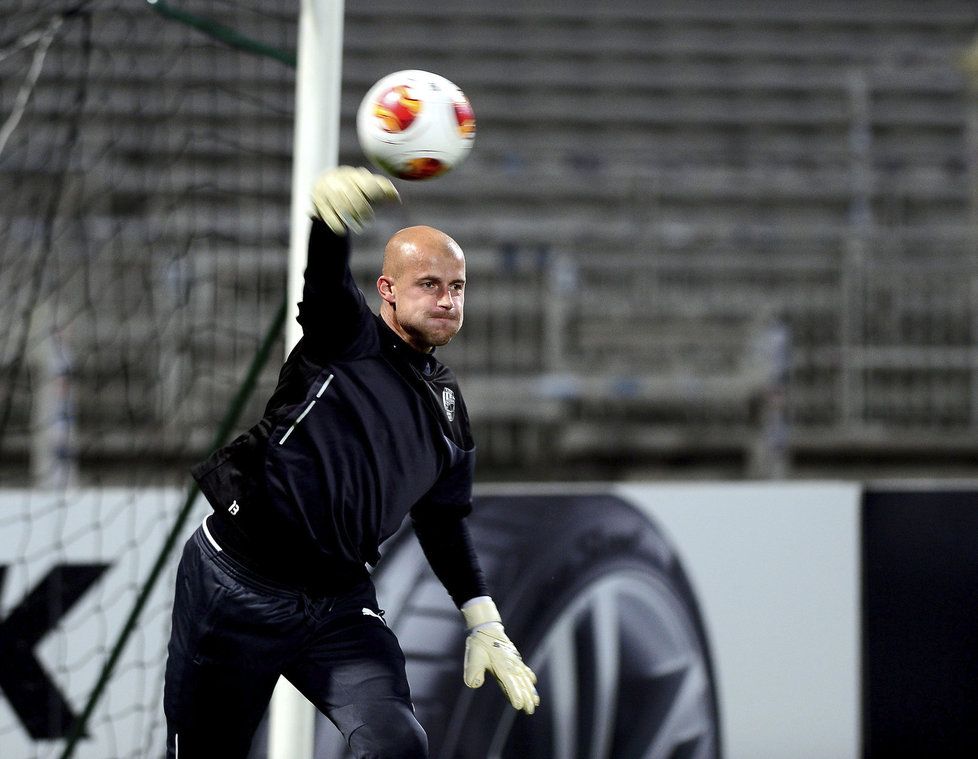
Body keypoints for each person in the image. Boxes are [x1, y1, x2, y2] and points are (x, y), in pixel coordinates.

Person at [163, 166, 539, 758]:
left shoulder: (447, 407)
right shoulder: (346, 337)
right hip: (236, 583)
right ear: (387, 290)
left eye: (458, 287)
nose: (447, 299)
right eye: (430, 285)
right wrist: (328, 222)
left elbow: (442, 523)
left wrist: (482, 620)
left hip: (338, 605)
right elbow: (324, 282)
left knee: (397, 746)